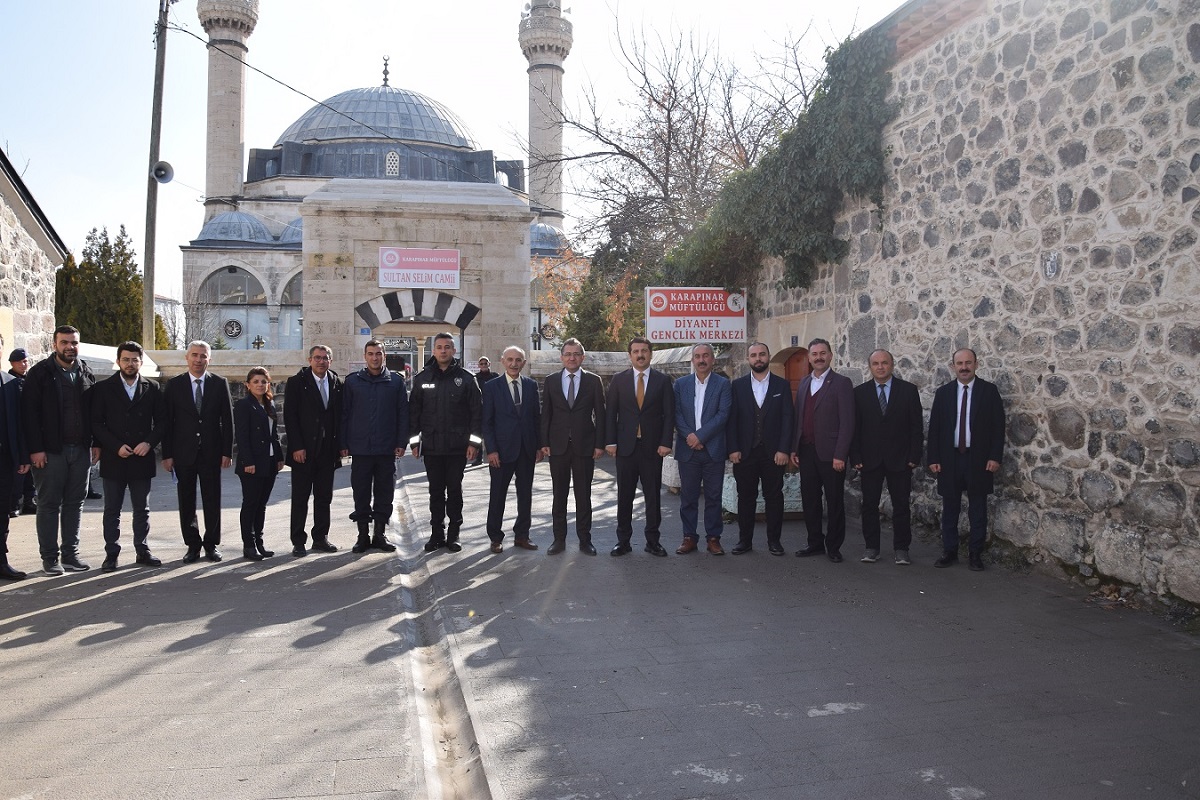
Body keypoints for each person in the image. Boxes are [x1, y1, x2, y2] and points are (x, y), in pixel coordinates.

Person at [22, 325, 97, 575]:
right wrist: (35, 449)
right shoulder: (40, 374)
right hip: (51, 452)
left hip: (80, 450)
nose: (69, 347)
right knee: (48, 504)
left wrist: (95, 443)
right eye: (64, 342)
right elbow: (29, 416)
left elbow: (94, 413)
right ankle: (49, 558)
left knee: (75, 503)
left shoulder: (86, 372)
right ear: (55, 344)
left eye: (74, 343)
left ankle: (70, 556)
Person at [89, 341, 167, 571]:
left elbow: (162, 422)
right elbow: (97, 422)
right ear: (118, 361)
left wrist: (149, 442)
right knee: (112, 509)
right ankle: (111, 553)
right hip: (116, 456)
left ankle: (142, 550)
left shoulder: (151, 388)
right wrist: (114, 446)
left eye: (134, 359)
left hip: (141, 456)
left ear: (141, 362)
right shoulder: (104, 388)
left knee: (141, 509)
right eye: (126, 359)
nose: (130, 363)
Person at [926, 348, 1005, 571]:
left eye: (968, 363)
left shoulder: (989, 392)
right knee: (950, 508)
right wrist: (933, 458)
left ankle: (975, 554)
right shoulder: (944, 393)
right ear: (953, 367)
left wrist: (994, 456)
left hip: (978, 460)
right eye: (959, 363)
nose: (964, 367)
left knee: (977, 509)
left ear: (976, 364)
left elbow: (998, 427)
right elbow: (935, 429)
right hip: (950, 459)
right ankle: (949, 551)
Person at [409, 333, 482, 553]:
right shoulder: (422, 378)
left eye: (447, 347)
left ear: (454, 350)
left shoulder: (467, 379)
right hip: (431, 447)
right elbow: (414, 414)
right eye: (439, 347)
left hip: (457, 447)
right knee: (435, 492)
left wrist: (474, 444)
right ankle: (436, 534)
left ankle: (454, 534)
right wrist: (414, 443)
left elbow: (476, 415)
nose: (443, 351)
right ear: (433, 351)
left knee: (455, 492)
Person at [162, 340, 234, 563]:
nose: (198, 360)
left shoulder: (219, 384)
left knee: (212, 499)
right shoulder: (175, 385)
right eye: (194, 355)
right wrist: (167, 454)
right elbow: (167, 422)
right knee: (187, 500)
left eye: (203, 356)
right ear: (187, 357)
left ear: (209, 359)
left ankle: (211, 544)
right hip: (183, 453)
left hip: (211, 453)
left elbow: (227, 420)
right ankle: (192, 545)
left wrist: (227, 451)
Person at [850, 349, 923, 566]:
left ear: (892, 365)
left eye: (884, 363)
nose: (880, 367)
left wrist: (914, 456)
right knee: (869, 505)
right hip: (869, 460)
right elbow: (855, 428)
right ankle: (871, 548)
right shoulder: (859, 393)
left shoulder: (908, 391)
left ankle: (902, 549)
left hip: (900, 459)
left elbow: (916, 427)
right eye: (876, 363)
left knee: (901, 506)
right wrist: (855, 456)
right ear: (870, 367)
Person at [605, 336, 675, 557]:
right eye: (636, 351)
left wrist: (665, 443)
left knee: (653, 497)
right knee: (624, 496)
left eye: (644, 350)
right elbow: (610, 414)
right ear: (630, 355)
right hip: (625, 448)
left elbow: (669, 414)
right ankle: (623, 541)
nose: (640, 354)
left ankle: (652, 541)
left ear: (651, 354)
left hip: (653, 449)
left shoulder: (663, 381)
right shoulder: (618, 380)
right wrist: (611, 441)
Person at [340, 339, 409, 554]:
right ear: (365, 356)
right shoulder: (352, 382)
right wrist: (343, 443)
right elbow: (344, 415)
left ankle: (379, 534)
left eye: (378, 354)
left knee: (384, 493)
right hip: (360, 449)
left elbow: (402, 414)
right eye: (371, 354)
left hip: (386, 449)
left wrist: (401, 442)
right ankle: (362, 536)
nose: (375, 357)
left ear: (384, 356)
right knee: (360, 493)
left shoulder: (396, 382)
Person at [789, 338, 855, 563]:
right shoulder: (805, 382)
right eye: (814, 354)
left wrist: (840, 454)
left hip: (831, 454)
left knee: (834, 501)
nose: (818, 357)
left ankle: (834, 546)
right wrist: (794, 447)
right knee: (810, 500)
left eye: (823, 353)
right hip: (806, 451)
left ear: (830, 356)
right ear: (809, 357)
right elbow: (799, 418)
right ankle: (814, 542)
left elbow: (848, 423)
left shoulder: (841, 383)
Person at [727, 342, 794, 556]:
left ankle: (774, 541)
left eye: (762, 354)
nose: (758, 358)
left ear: (768, 356)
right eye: (754, 355)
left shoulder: (781, 386)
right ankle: (744, 541)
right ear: (748, 359)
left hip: (773, 453)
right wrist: (733, 448)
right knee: (745, 497)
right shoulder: (737, 386)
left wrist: (784, 449)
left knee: (774, 497)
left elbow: (787, 419)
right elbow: (732, 420)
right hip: (745, 452)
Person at [539, 338, 605, 555]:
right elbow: (546, 414)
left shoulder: (593, 381)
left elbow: (601, 415)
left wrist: (599, 444)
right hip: (557, 447)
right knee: (559, 495)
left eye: (576, 354)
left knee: (583, 495)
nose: (571, 358)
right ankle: (559, 540)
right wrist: (544, 442)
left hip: (585, 447)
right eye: (567, 354)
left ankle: (585, 540)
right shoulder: (551, 381)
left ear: (582, 357)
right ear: (561, 357)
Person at [482, 346, 542, 553]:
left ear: (524, 363)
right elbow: (487, 422)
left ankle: (522, 535)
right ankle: (495, 537)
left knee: (525, 495)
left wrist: (538, 447)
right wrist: (491, 450)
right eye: (510, 360)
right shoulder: (491, 387)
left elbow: (536, 418)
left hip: (526, 450)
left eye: (518, 360)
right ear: (502, 361)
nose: (514, 363)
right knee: (497, 495)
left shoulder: (531, 385)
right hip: (501, 452)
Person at [673, 343, 731, 555]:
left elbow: (723, 415)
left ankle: (713, 538)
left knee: (714, 497)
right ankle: (689, 537)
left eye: (706, 355)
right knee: (688, 497)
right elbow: (676, 414)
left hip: (713, 449)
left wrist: (700, 436)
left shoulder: (723, 384)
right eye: (697, 356)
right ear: (692, 360)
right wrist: (690, 436)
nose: (701, 359)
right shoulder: (680, 384)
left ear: (712, 359)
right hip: (688, 450)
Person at [284, 345, 343, 557]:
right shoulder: (297, 383)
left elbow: (339, 416)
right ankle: (298, 541)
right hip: (304, 451)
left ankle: (320, 538)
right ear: (310, 360)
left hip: (327, 451)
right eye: (317, 358)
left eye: (325, 358)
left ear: (331, 360)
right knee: (300, 498)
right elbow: (290, 417)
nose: (321, 361)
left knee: (323, 497)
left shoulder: (336, 383)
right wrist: (297, 446)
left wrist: (341, 445)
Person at [234, 367, 284, 561]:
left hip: (269, 461)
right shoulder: (244, 405)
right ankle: (249, 545)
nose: (260, 385)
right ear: (248, 385)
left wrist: (279, 458)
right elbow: (242, 435)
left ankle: (260, 543)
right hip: (252, 463)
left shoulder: (268, 404)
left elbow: (273, 436)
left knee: (261, 505)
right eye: (256, 381)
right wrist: (248, 461)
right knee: (250, 504)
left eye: (264, 381)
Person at [1, 369, 31, 579]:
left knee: (2, 513)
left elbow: (20, 423)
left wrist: (22, 457)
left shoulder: (11, 383)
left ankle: (1, 562)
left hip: (5, 460)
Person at [7, 348, 36, 517]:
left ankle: (29, 501)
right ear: (13, 363)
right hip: (17, 430)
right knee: (18, 470)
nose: (24, 364)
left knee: (31, 471)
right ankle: (13, 503)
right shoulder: (10, 382)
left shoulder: (28, 380)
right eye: (21, 361)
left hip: (29, 429)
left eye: (26, 361)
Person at [472, 357, 499, 466]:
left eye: (485, 363)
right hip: (480, 408)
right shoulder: (475, 378)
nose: (483, 365)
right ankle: (479, 458)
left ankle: (493, 453)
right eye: (481, 363)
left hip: (493, 408)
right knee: (478, 434)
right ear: (478, 365)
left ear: (489, 364)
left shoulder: (495, 377)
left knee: (492, 432)